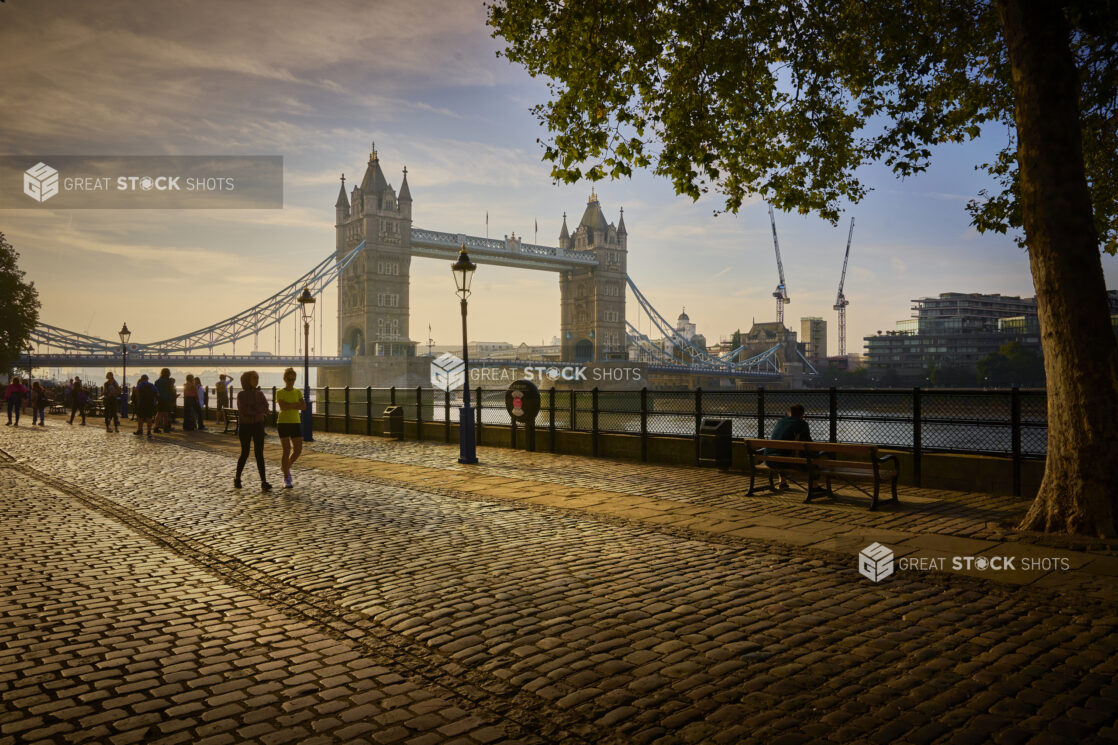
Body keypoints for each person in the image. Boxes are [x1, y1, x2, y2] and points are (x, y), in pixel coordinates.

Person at [235, 370, 271, 491]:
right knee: (244, 453)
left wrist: (254, 409)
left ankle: (263, 481)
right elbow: (244, 411)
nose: (257, 380)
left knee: (259, 453)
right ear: (247, 380)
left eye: (257, 378)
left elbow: (266, 407)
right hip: (245, 426)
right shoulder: (241, 395)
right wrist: (258, 410)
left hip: (258, 425)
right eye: (254, 378)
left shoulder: (260, 393)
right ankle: (237, 478)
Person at [767, 403, 813, 490]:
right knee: (814, 460)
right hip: (785, 462)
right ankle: (814, 486)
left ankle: (782, 482)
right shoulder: (802, 423)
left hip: (769, 460)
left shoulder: (780, 421)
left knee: (781, 453)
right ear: (802, 415)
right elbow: (807, 443)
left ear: (790, 413)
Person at [275, 367, 305, 489]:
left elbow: (303, 407)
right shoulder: (279, 392)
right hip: (283, 423)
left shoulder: (298, 392)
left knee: (298, 450)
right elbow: (283, 407)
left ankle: (285, 467)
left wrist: (291, 405)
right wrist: (295, 405)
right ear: (285, 379)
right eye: (289, 378)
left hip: (295, 422)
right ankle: (286, 478)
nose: (291, 381)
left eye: (293, 379)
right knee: (286, 450)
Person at [132, 374, 157, 439]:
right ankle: (149, 431)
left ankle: (140, 430)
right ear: (148, 379)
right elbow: (158, 393)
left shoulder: (140, 384)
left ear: (142, 379)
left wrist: (138, 398)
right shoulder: (152, 385)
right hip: (150, 404)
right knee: (149, 418)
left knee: (140, 417)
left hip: (142, 403)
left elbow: (136, 390)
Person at [153, 368, 173, 433]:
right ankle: (166, 427)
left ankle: (156, 427)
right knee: (166, 414)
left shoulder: (158, 381)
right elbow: (170, 390)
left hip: (160, 399)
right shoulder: (168, 381)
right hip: (167, 399)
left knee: (159, 413)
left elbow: (155, 390)